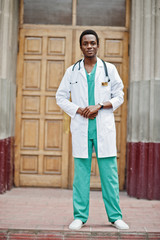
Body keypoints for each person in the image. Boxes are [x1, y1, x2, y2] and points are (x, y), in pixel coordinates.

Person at [56, 29, 129, 231]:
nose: (90, 46)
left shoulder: (109, 69)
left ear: (98, 45)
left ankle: (115, 217)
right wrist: (78, 109)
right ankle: (79, 217)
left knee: (109, 175)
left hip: (103, 129)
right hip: (81, 128)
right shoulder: (72, 71)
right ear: (81, 47)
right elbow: (60, 97)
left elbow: (120, 96)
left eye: (93, 43)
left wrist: (100, 105)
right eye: (86, 43)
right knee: (81, 176)